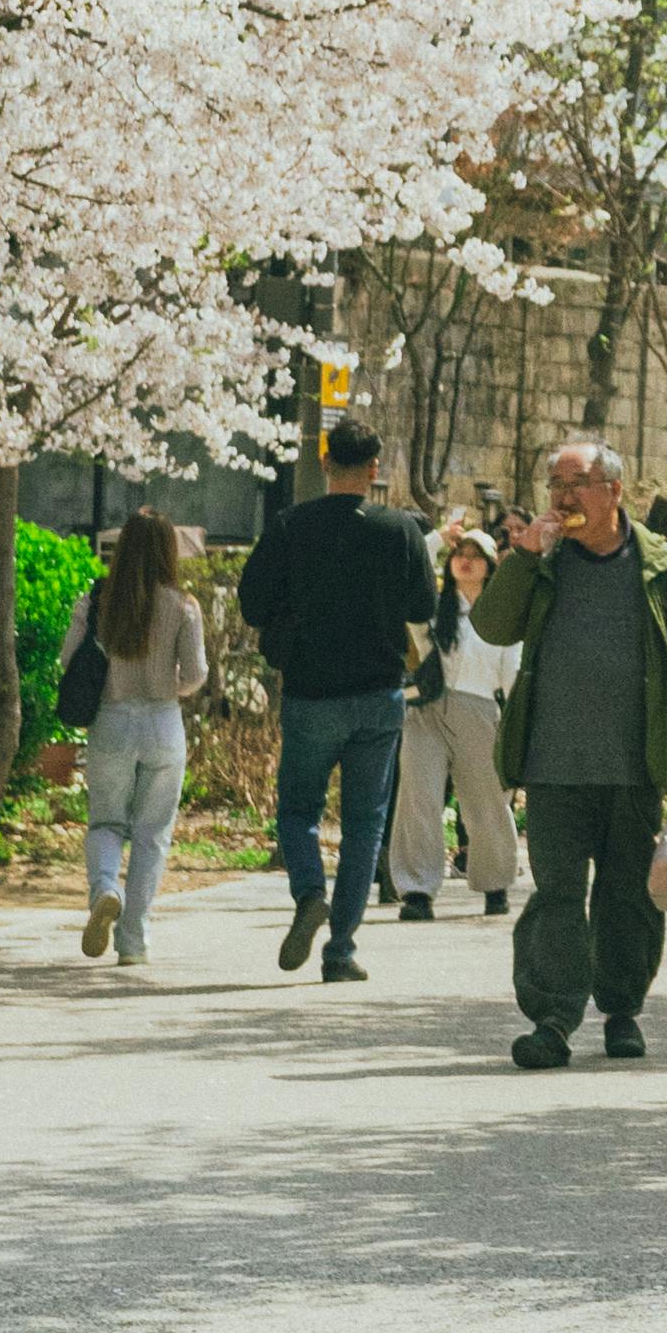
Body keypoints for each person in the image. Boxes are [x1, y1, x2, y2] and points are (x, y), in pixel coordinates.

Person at [470, 435, 667, 1071]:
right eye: (555, 485)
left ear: (613, 491)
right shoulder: (545, 561)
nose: (563, 497)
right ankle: (553, 1020)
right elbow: (492, 627)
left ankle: (622, 1009)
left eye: (575, 483)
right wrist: (524, 556)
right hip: (552, 764)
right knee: (556, 893)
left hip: (634, 764)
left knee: (627, 894)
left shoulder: (658, 563)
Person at [237, 416, 437, 985]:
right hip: (378, 693)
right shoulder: (399, 530)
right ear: (375, 469)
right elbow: (423, 605)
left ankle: (308, 893)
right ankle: (341, 951)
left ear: (324, 462)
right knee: (364, 825)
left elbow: (252, 603)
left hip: (311, 692)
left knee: (298, 810)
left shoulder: (290, 526)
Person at [73, 510, 207, 969]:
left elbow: (69, 658)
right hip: (163, 724)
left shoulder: (98, 600)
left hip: (112, 720)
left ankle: (105, 890)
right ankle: (133, 942)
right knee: (152, 836)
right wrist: (172, 684)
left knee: (106, 823)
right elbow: (196, 675)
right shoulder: (183, 605)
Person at [388, 518, 523, 923]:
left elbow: (513, 676)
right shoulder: (432, 608)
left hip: (480, 709)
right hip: (425, 710)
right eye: (459, 554)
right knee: (418, 798)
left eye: (475, 556)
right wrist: (437, 538)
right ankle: (416, 891)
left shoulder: (503, 615)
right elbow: (404, 575)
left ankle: (495, 883)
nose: (465, 561)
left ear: (490, 566)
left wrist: (518, 725)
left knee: (487, 801)